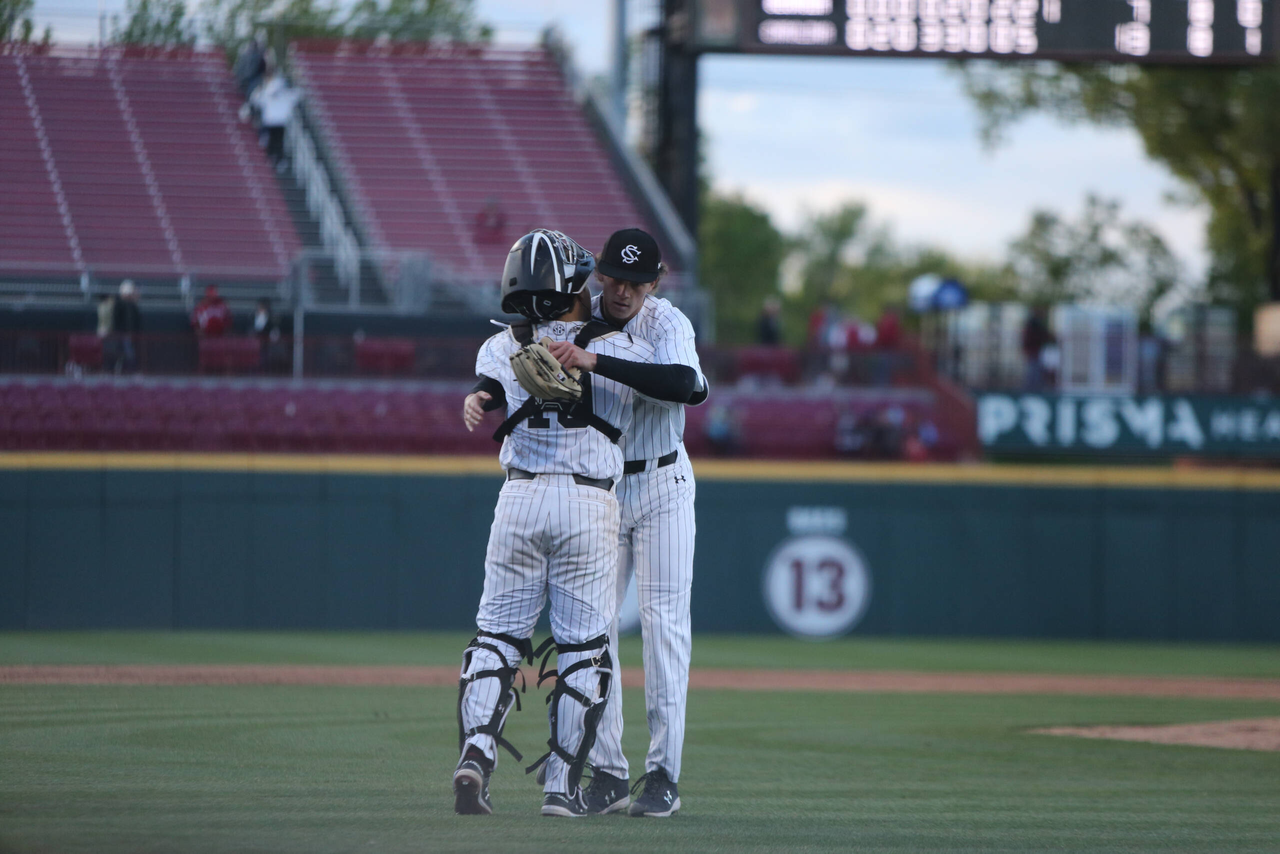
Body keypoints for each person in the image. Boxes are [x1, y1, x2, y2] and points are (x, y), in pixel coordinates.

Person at [454, 229, 657, 818]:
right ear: (569, 287)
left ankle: (476, 753)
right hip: (587, 502)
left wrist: (480, 397)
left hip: (518, 497)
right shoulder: (621, 345)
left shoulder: (501, 345)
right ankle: (561, 787)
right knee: (583, 650)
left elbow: (491, 387)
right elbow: (672, 385)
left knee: (496, 637)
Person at [545, 227, 708, 818]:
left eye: (636, 282)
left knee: (664, 627)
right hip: (604, 487)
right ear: (600, 274)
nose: (623, 290)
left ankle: (662, 775)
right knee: (595, 630)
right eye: (615, 278)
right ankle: (609, 772)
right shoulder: (577, 319)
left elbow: (685, 385)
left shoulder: (667, 324)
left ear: (655, 282)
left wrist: (594, 360)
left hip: (664, 482)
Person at [251, 70, 301, 172]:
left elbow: (256, 99)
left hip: (273, 121)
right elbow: (297, 95)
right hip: (278, 121)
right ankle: (276, 159)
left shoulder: (268, 92)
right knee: (277, 142)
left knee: (275, 142)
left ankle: (274, 159)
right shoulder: (284, 93)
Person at [112, 280, 142, 373]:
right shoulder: (119, 304)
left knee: (129, 352)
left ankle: (129, 369)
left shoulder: (132, 305)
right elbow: (116, 319)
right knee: (124, 352)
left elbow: (136, 320)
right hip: (122, 333)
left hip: (129, 333)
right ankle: (122, 369)